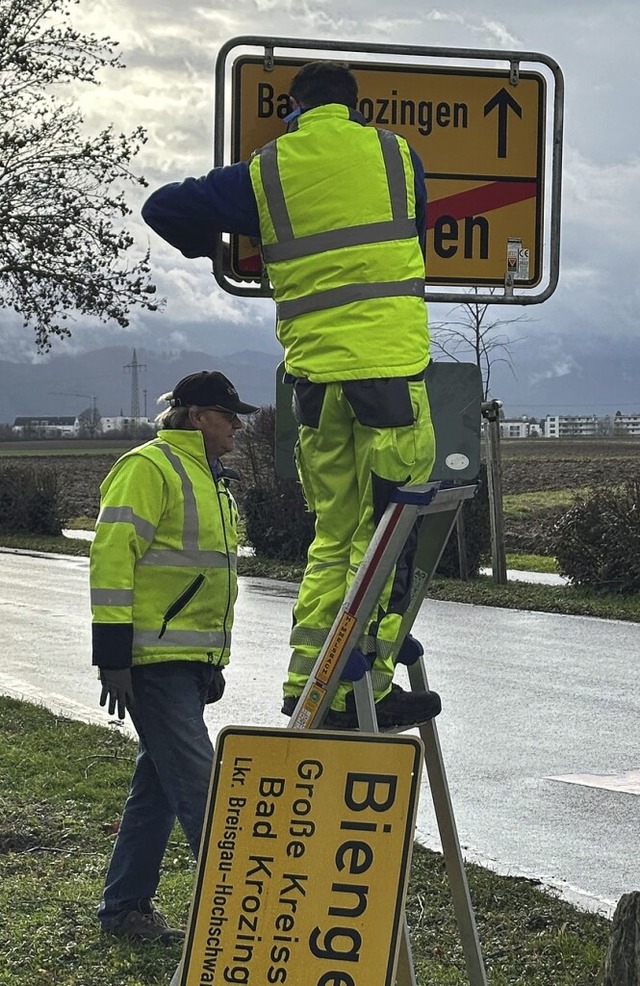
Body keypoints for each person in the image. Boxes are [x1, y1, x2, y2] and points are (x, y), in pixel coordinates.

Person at [141, 60, 441, 731]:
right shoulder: (397, 156)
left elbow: (161, 207)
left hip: (314, 384)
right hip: (390, 374)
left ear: (294, 108)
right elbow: (411, 232)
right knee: (392, 535)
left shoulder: (266, 170)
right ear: (356, 106)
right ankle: (366, 679)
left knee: (334, 536)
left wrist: (219, 251)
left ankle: (308, 680)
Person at [90, 369, 258, 941]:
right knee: (202, 789)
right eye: (229, 415)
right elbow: (112, 561)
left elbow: (210, 578)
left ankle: (125, 911)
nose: (238, 426)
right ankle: (240, 923)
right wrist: (113, 654)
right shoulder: (149, 467)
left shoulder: (212, 479)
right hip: (153, 662)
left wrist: (211, 661)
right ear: (197, 417)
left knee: (158, 789)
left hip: (188, 662)